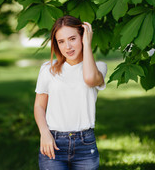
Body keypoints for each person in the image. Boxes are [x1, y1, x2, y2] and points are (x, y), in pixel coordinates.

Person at [34, 15, 107, 170]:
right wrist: (44, 133)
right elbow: (39, 106)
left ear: (83, 36)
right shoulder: (48, 69)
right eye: (61, 42)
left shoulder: (99, 67)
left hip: (85, 144)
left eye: (72, 38)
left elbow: (89, 79)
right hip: (53, 142)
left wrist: (87, 43)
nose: (68, 46)